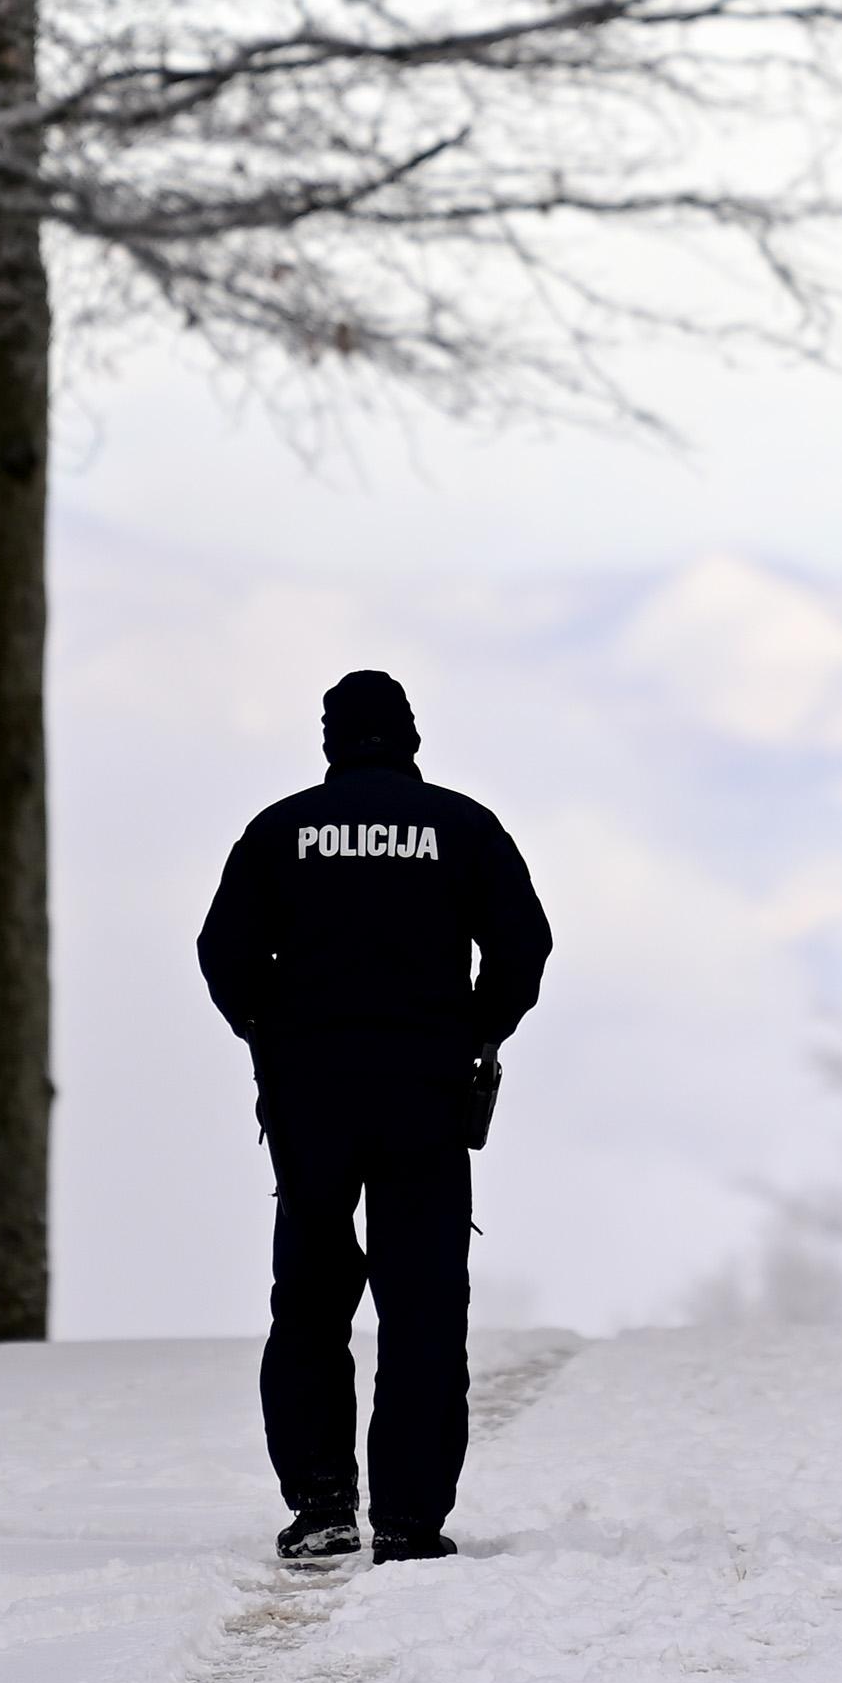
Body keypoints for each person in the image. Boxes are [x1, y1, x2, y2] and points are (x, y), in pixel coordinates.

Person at [198, 669, 552, 1566]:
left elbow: (223, 952)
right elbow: (524, 945)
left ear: (329, 741)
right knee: (423, 1305)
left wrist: (270, 1033)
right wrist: (476, 1031)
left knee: (310, 1302)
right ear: (411, 737)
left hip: (309, 1100)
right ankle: (408, 1519)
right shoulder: (463, 827)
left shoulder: (279, 831)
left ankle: (321, 1503)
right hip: (424, 1097)